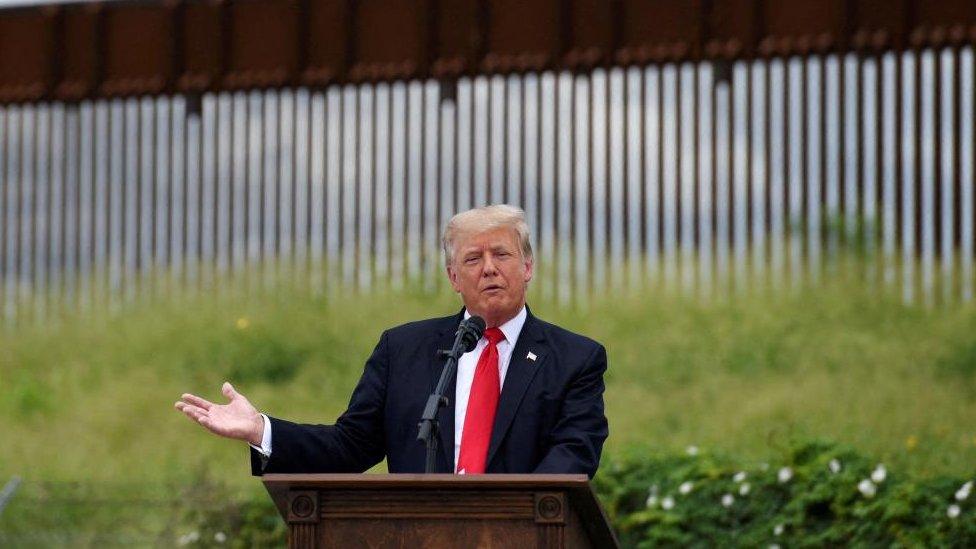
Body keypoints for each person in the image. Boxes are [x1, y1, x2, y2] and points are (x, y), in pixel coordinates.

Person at [175, 204, 608, 477]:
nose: (489, 269)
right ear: (454, 277)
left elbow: (573, 456)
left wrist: (499, 515)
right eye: (473, 259)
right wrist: (261, 430)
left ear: (527, 267)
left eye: (503, 254)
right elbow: (350, 447)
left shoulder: (575, 359)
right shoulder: (403, 350)